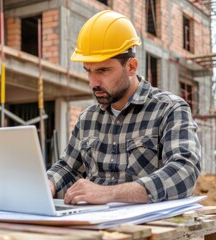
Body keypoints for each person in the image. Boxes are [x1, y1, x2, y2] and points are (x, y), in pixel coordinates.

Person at [47, 10, 201, 204]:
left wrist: (108, 193)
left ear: (131, 67)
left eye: (103, 70)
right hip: (96, 226)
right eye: (89, 71)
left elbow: (185, 171)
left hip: (150, 228)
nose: (93, 82)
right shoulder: (87, 119)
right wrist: (47, 183)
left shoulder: (170, 109)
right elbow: (68, 168)